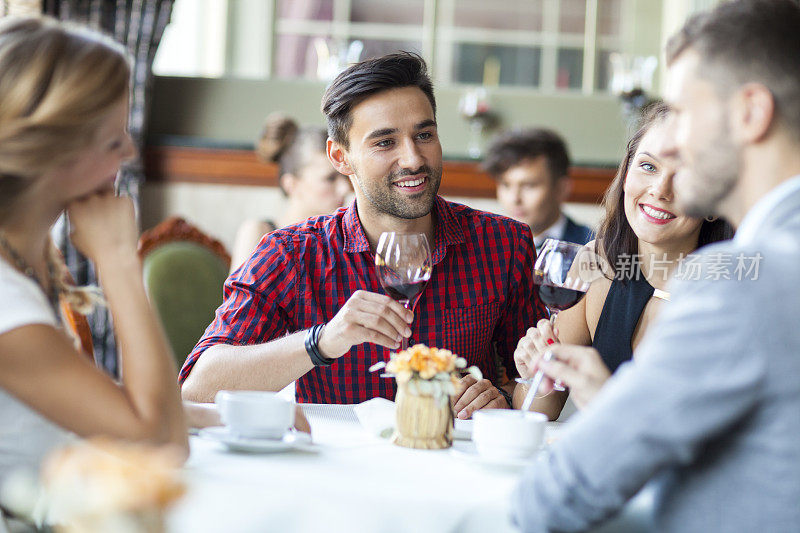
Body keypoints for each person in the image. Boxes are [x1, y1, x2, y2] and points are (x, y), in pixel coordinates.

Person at [513, 1, 800, 531]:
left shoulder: (738, 285)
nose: (669, 140)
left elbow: (553, 499)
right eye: (646, 160)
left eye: (684, 112)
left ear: (751, 113)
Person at [180, 53, 547, 419]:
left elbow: (539, 390)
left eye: (424, 135)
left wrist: (500, 399)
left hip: (455, 463)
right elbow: (198, 387)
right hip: (337, 470)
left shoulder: (503, 243)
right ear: (340, 157)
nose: (413, 159)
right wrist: (322, 341)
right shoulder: (292, 254)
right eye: (385, 142)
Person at [0, 16, 188, 490]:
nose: (128, 151)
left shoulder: (25, 258)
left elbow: (96, 408)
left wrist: (214, 413)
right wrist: (119, 261)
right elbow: (160, 444)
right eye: (112, 140)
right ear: (50, 154)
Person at [511, 105, 733, 419]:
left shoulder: (733, 296)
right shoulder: (595, 264)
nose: (660, 190)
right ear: (627, 175)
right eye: (648, 166)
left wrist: (609, 401)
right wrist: (537, 372)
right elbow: (535, 413)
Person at [230, 113, 351, 272]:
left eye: (344, 176)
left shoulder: (345, 238)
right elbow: (239, 297)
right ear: (291, 185)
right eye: (330, 179)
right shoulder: (258, 232)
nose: (345, 188)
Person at [484, 128, 593, 251]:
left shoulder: (594, 250)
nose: (514, 199)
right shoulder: (487, 246)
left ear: (562, 188)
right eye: (506, 185)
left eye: (528, 185)